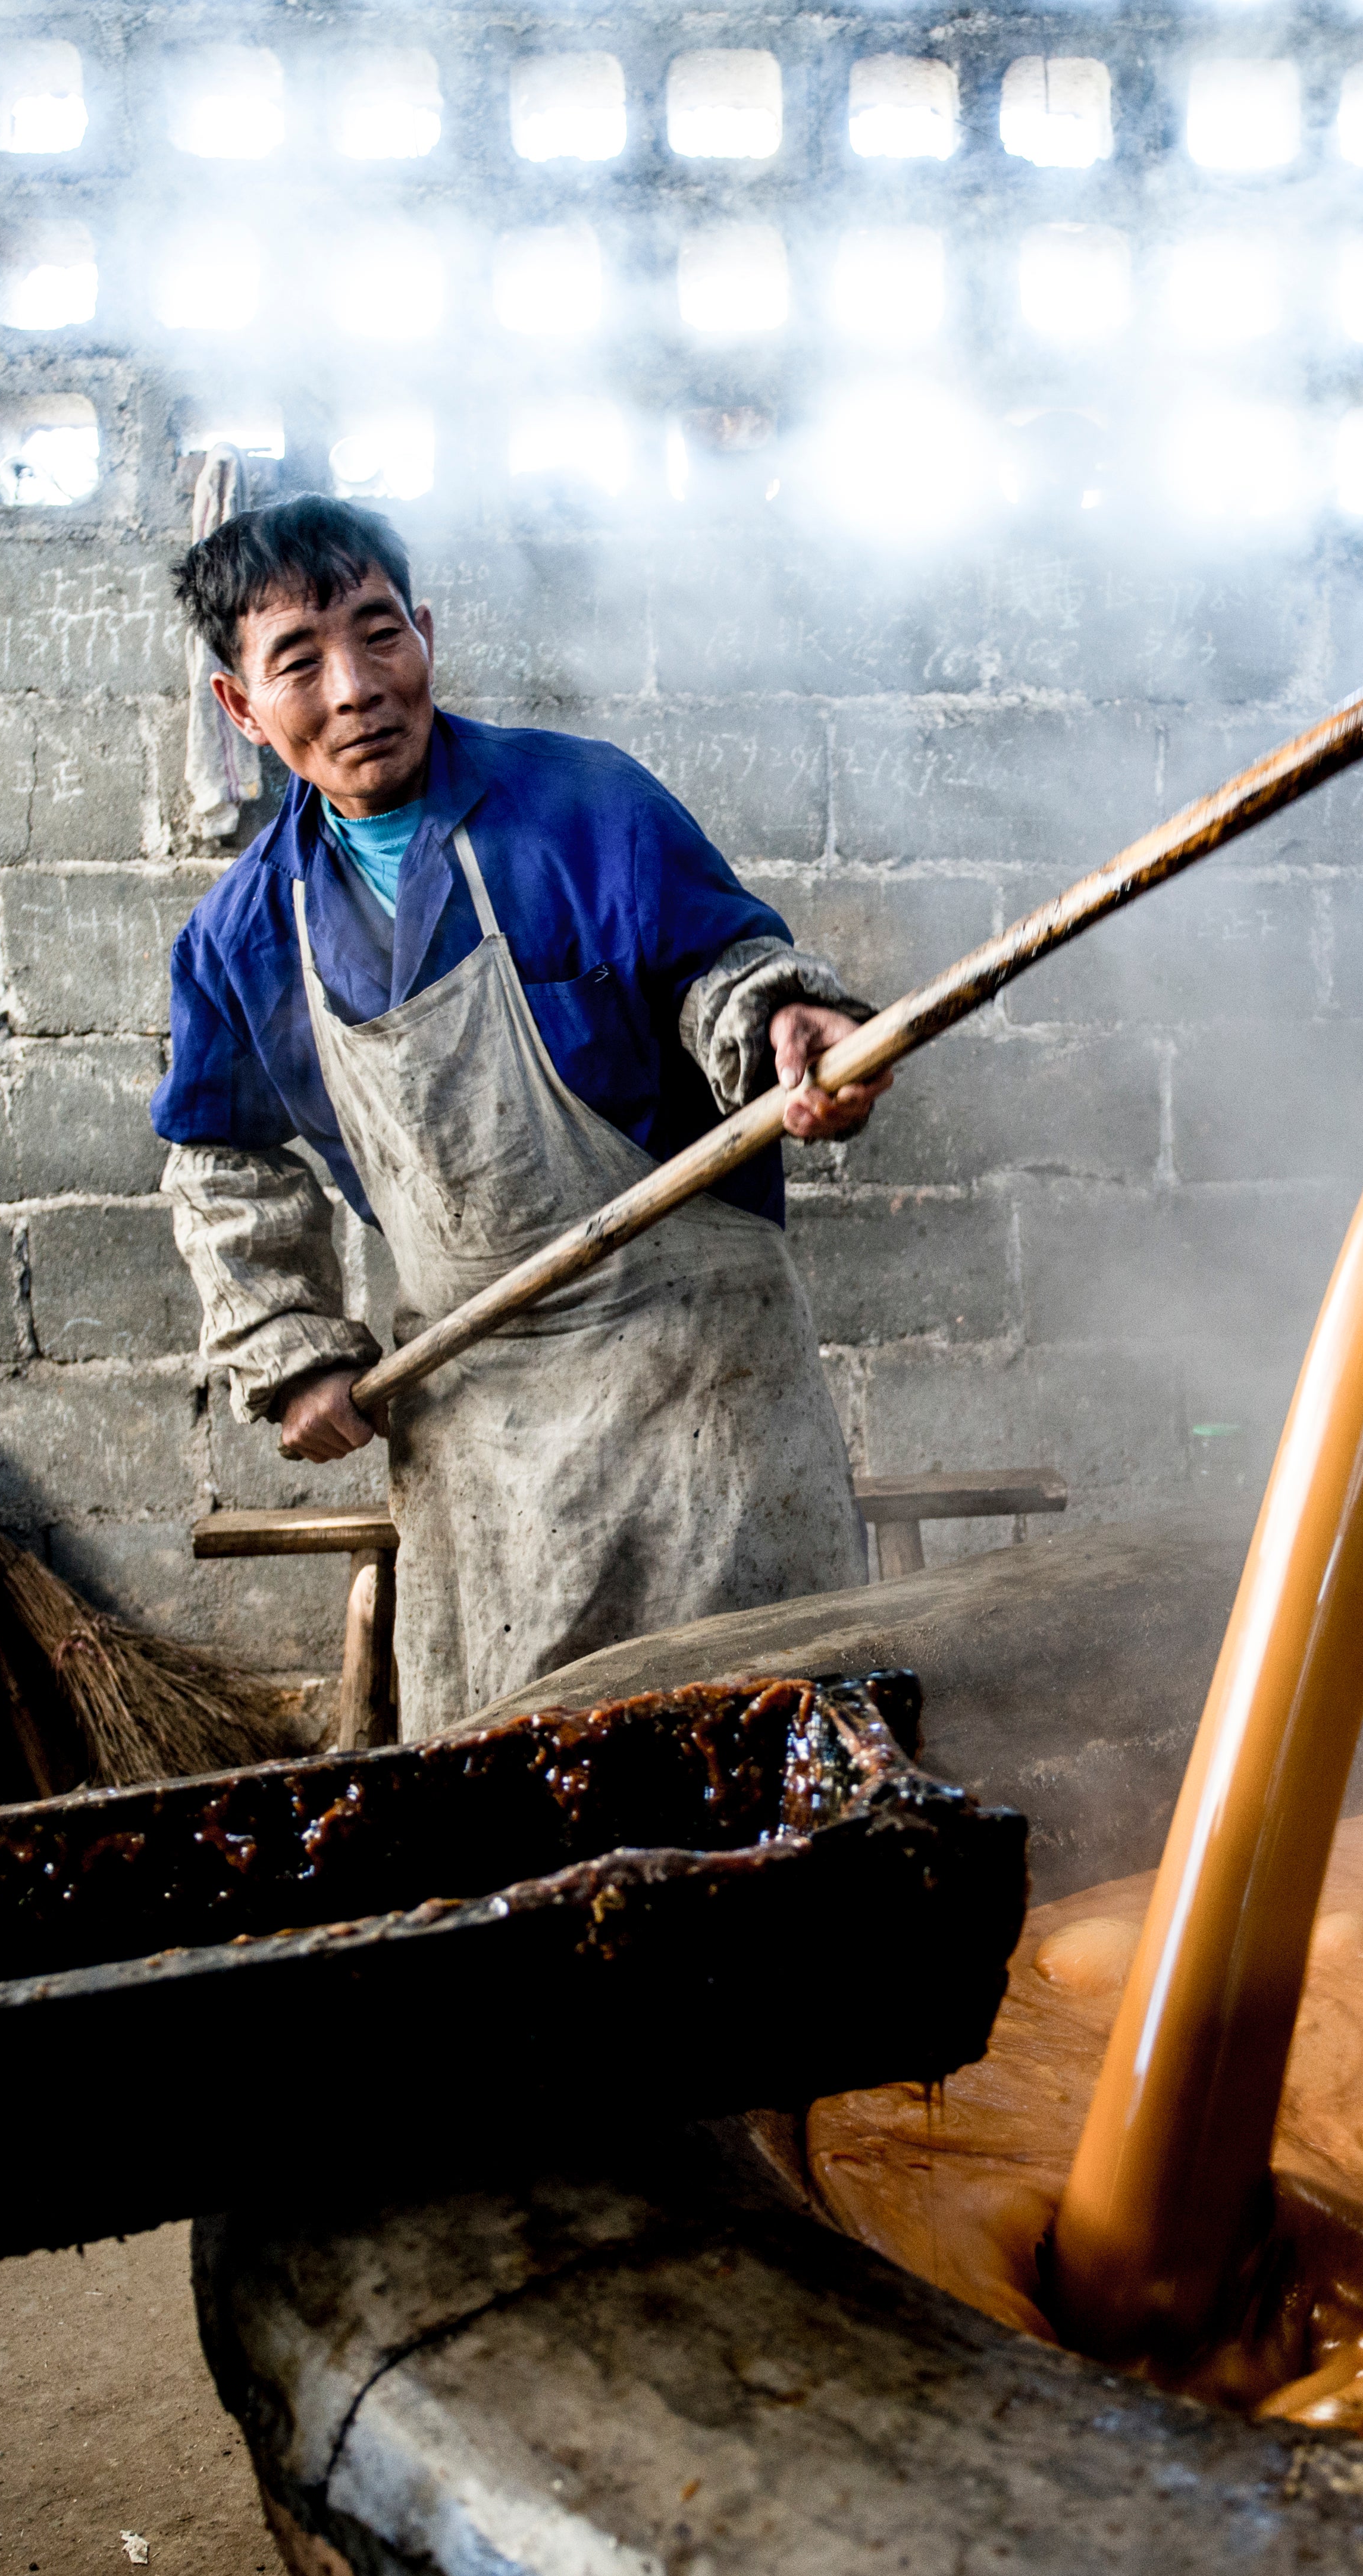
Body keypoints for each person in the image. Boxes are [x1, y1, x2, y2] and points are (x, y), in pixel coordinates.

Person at [153, 495, 888, 1728]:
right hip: (477, 1403)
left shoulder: (588, 808)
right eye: (298, 660)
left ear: (424, 633)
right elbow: (220, 1163)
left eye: (379, 633)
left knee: (766, 1734)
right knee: (515, 1756)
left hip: (700, 1373)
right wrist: (287, 1350)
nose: (354, 687)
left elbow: (722, 973)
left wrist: (780, 1032)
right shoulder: (240, 935)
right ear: (240, 704)